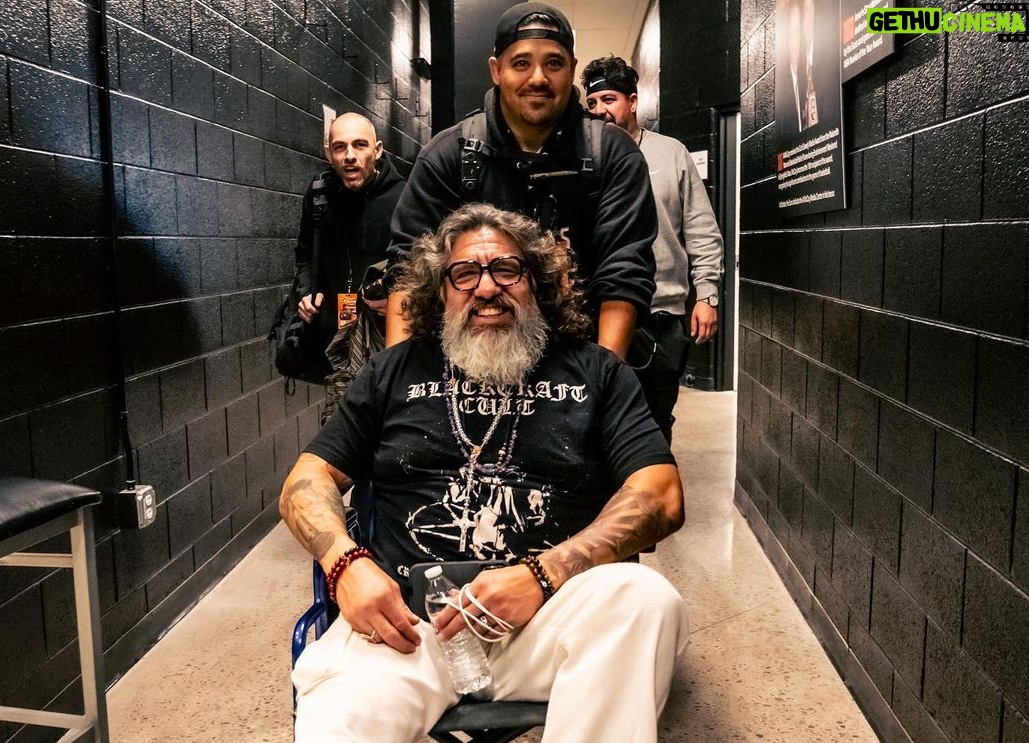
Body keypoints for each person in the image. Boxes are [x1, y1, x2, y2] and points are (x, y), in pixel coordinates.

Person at [191, 204, 689, 743]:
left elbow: (660, 495)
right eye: (466, 272)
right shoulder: (397, 371)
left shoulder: (594, 374)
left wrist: (542, 573)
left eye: (507, 270)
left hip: (544, 620)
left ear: (539, 285)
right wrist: (346, 562)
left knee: (644, 599)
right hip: (407, 626)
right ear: (440, 290)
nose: (487, 287)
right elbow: (306, 483)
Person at [385, 3, 657, 361]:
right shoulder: (448, 155)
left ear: (572, 70)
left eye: (554, 63)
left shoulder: (613, 154)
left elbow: (624, 274)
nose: (538, 78)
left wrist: (605, 378)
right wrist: (397, 382)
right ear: (496, 71)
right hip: (472, 360)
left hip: (583, 357)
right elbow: (409, 273)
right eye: (521, 63)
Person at [582, 56, 724, 436]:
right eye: (592, 102)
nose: (599, 110)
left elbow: (700, 227)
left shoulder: (671, 153)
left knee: (655, 421)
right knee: (598, 422)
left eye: (609, 99)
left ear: (632, 101)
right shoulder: (583, 157)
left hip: (660, 314)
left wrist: (707, 294)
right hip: (598, 313)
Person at [273, 112, 404, 404]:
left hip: (383, 334)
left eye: (360, 145)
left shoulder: (402, 198)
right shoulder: (319, 194)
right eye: (340, 147)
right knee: (341, 415)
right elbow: (304, 252)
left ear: (377, 150)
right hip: (333, 333)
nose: (350, 156)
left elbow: (420, 266)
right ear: (328, 153)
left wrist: (398, 300)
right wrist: (306, 293)